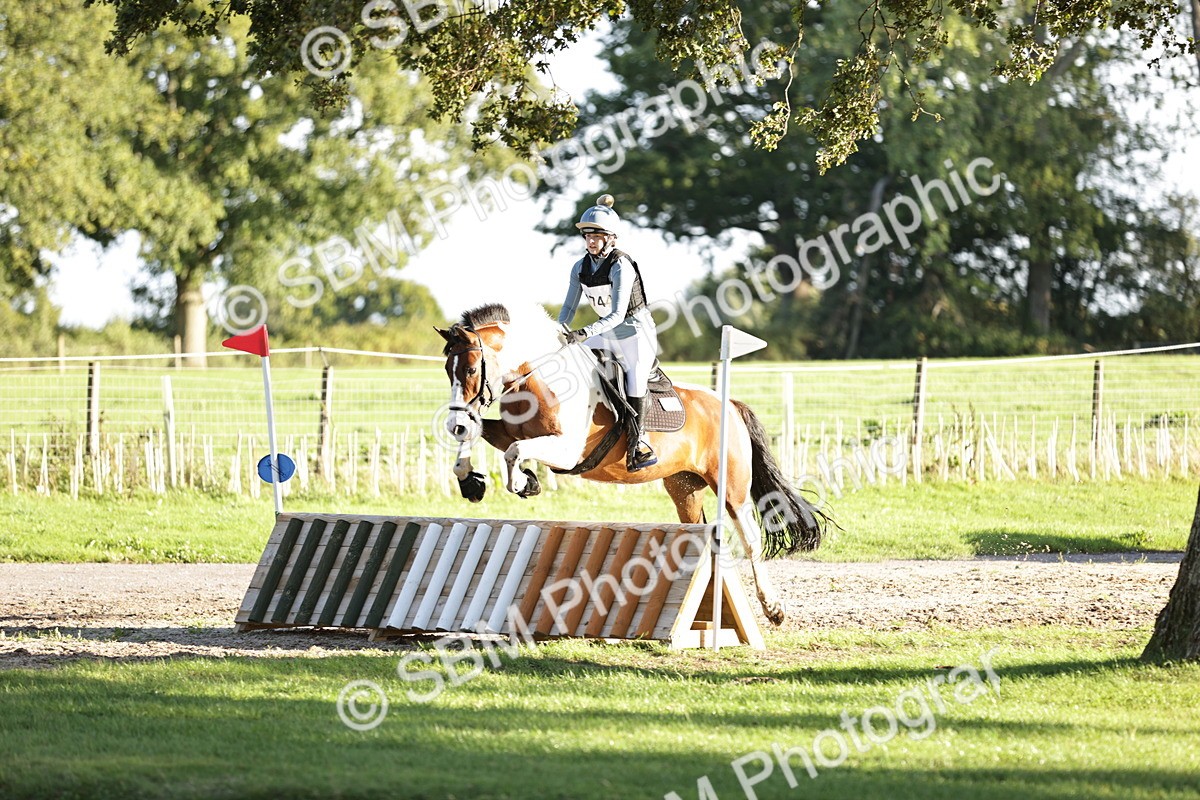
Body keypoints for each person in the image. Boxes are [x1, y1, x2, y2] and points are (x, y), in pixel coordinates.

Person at [558, 194, 659, 471]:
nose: (591, 241)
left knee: (635, 380)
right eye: (588, 235)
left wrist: (584, 332)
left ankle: (639, 444)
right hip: (608, 333)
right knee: (572, 359)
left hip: (637, 335)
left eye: (597, 235)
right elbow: (568, 307)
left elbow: (616, 315)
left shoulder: (620, 266)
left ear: (611, 238)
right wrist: (557, 331)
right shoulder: (580, 267)